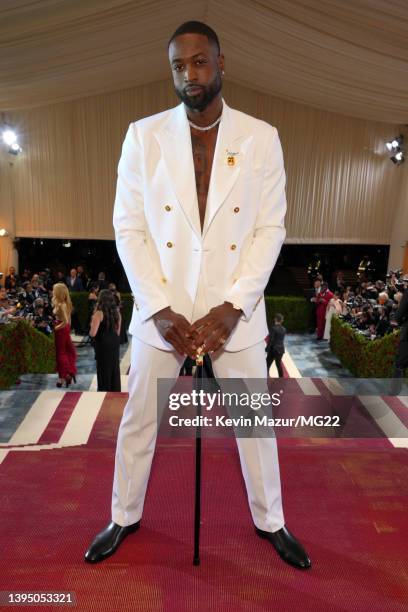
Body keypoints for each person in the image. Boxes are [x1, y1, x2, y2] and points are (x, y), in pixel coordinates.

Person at [85, 21, 310, 570]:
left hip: (234, 311)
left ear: (221, 62)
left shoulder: (261, 138)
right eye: (178, 66)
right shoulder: (143, 136)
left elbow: (270, 229)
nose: (190, 74)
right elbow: (129, 228)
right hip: (164, 310)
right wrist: (159, 309)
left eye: (199, 62)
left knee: (254, 425)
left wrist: (234, 307)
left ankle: (272, 521)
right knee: (139, 419)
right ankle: (123, 514)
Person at [89, 289, 121, 391]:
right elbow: (118, 332)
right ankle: (115, 390)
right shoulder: (117, 313)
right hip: (114, 342)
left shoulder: (98, 313)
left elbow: (93, 333)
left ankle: (104, 390)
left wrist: (91, 325)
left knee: (103, 368)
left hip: (103, 344)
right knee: (114, 367)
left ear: (101, 299)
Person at [51, 283, 77, 388]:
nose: (52, 291)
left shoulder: (61, 305)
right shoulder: (65, 303)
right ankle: (66, 375)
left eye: (54, 290)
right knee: (67, 351)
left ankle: (63, 376)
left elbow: (66, 321)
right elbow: (68, 321)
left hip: (61, 329)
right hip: (64, 329)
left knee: (60, 353)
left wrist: (55, 328)